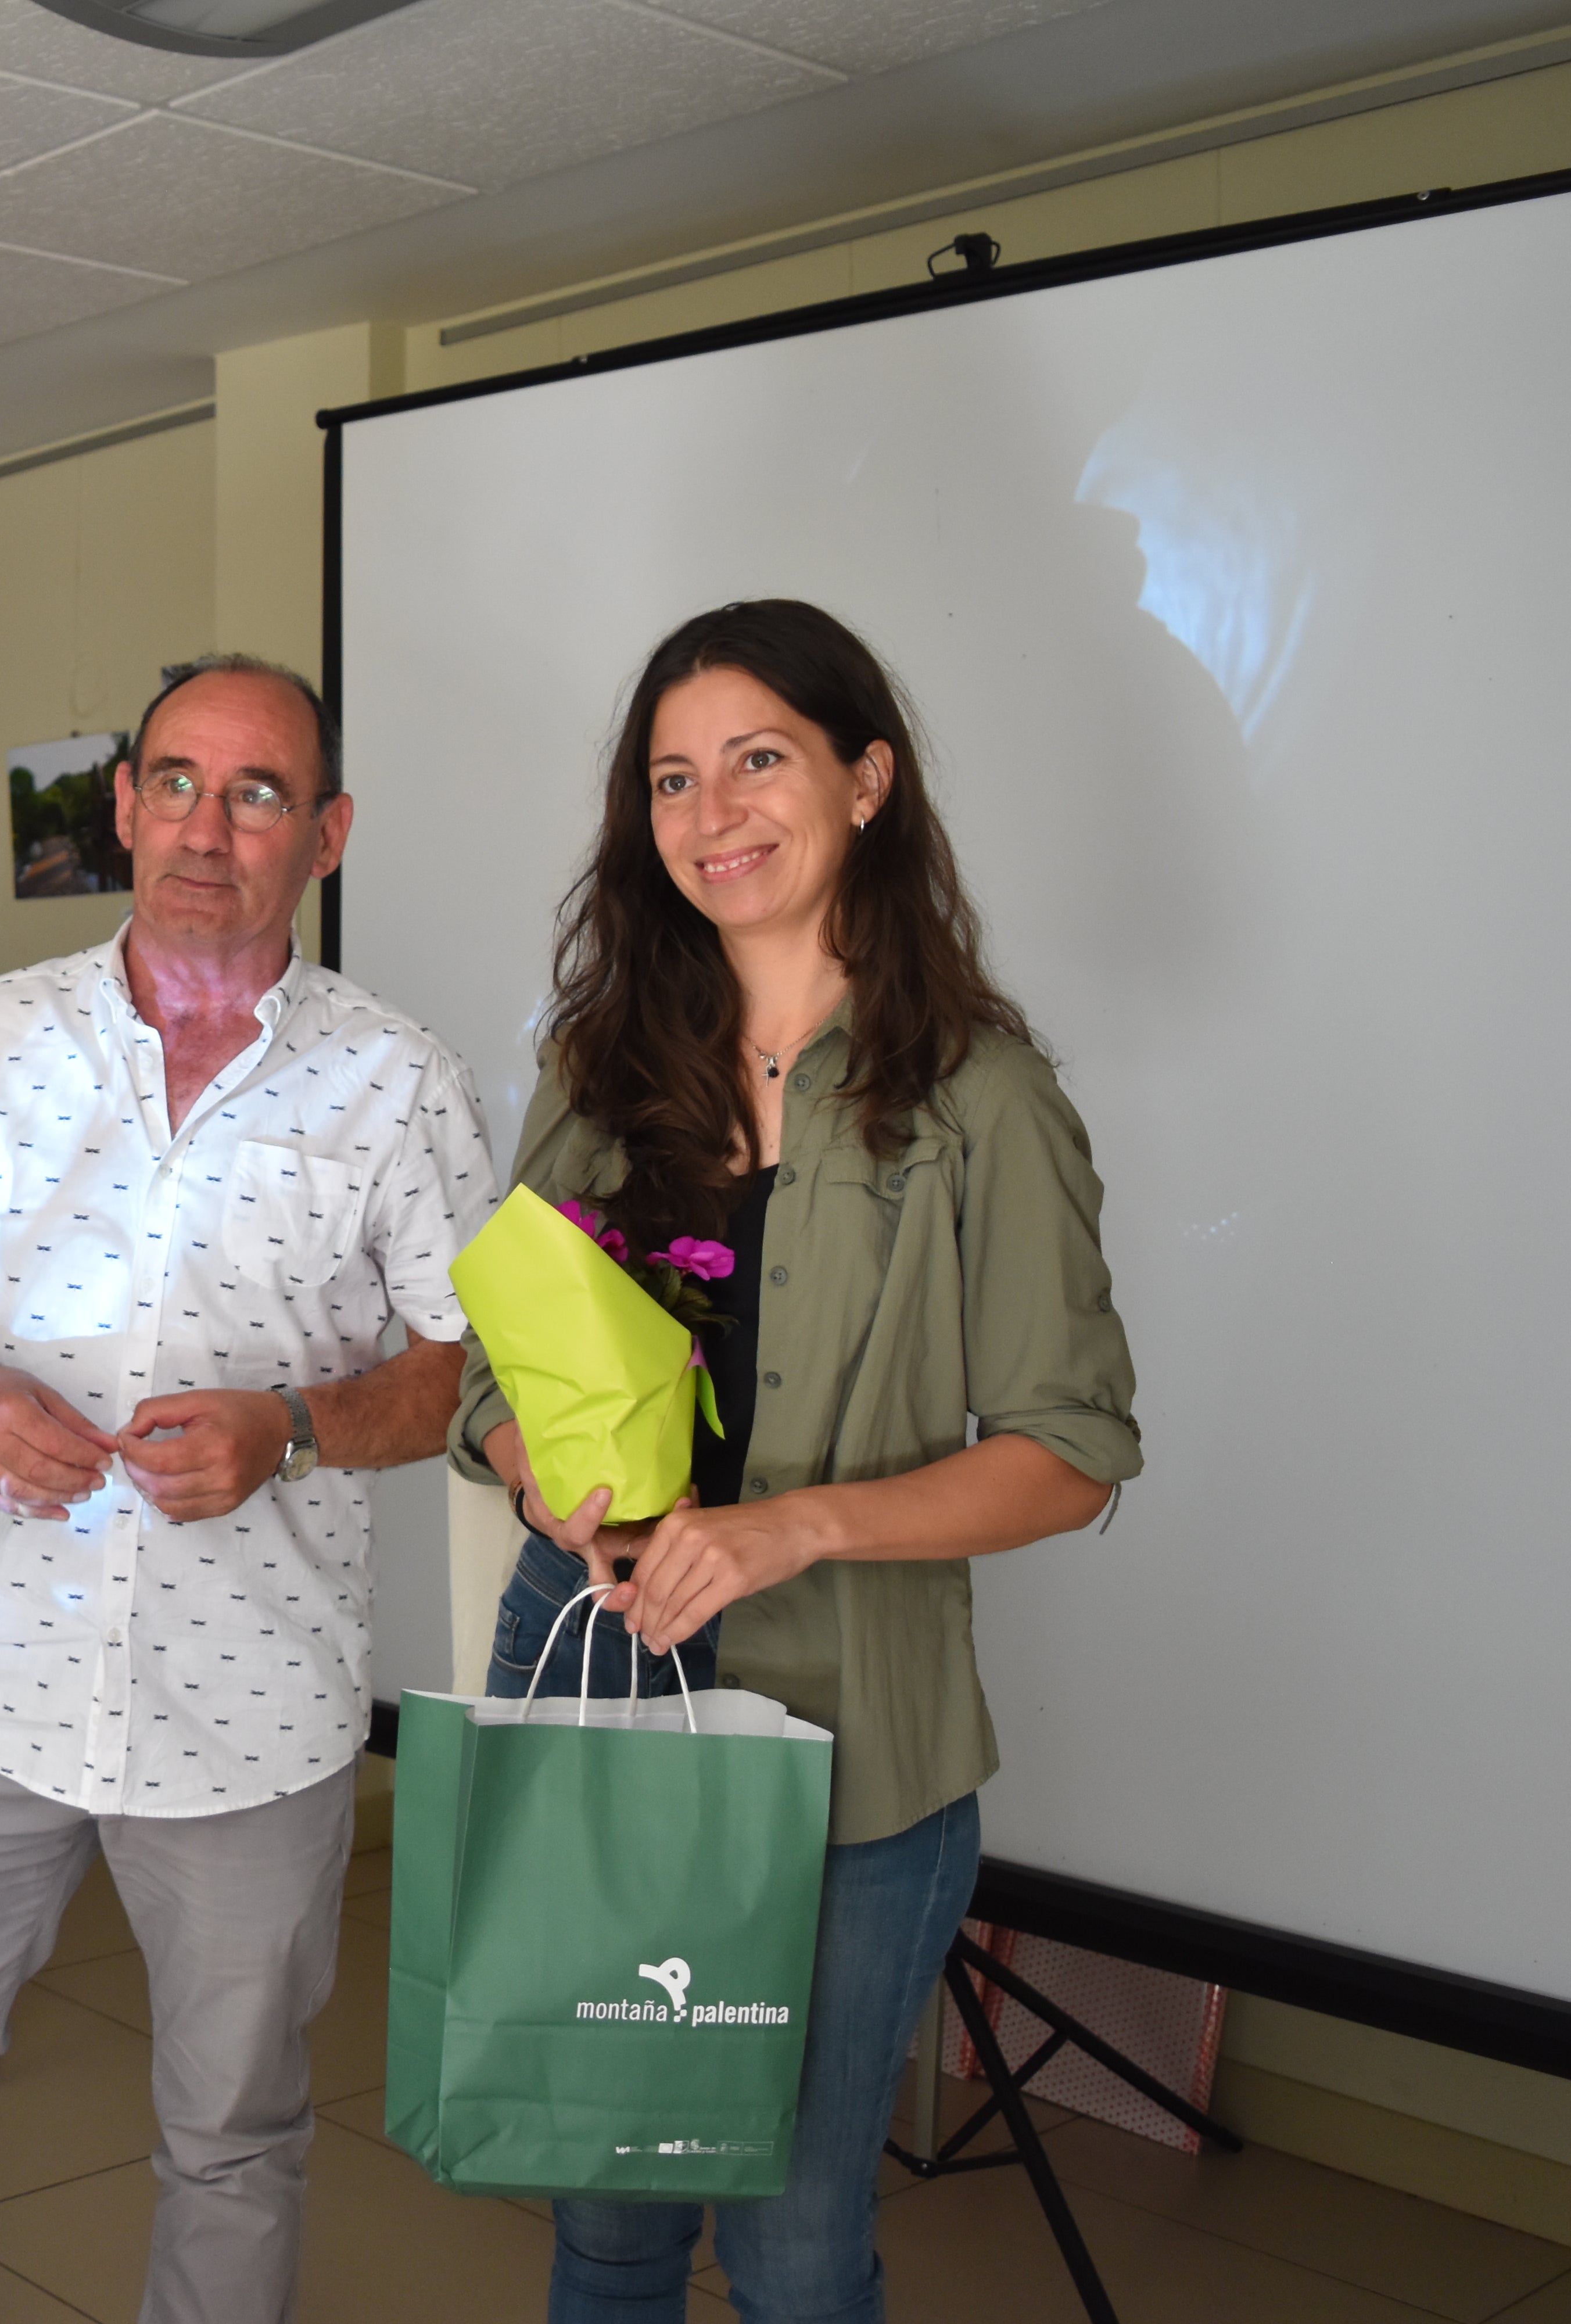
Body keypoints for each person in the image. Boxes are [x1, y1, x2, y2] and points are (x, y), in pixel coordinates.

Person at [452, 600, 1139, 2322]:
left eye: (759, 758)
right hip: (599, 1704)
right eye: (672, 779)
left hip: (855, 1767)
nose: (713, 812)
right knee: (606, 2212)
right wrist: (531, 1464)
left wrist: (791, 1532)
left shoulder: (984, 1095)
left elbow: (1069, 1457)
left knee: (794, 2241)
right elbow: (488, 1376)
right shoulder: (598, 1070)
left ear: (868, 782)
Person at [0, 654, 500, 2324]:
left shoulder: (404, 1082)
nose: (210, 826)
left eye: (260, 793)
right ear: (122, 807)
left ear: (324, 834)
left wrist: (297, 1428)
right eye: (178, 781)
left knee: (237, 2136)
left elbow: (463, 1371)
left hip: (253, 1710)